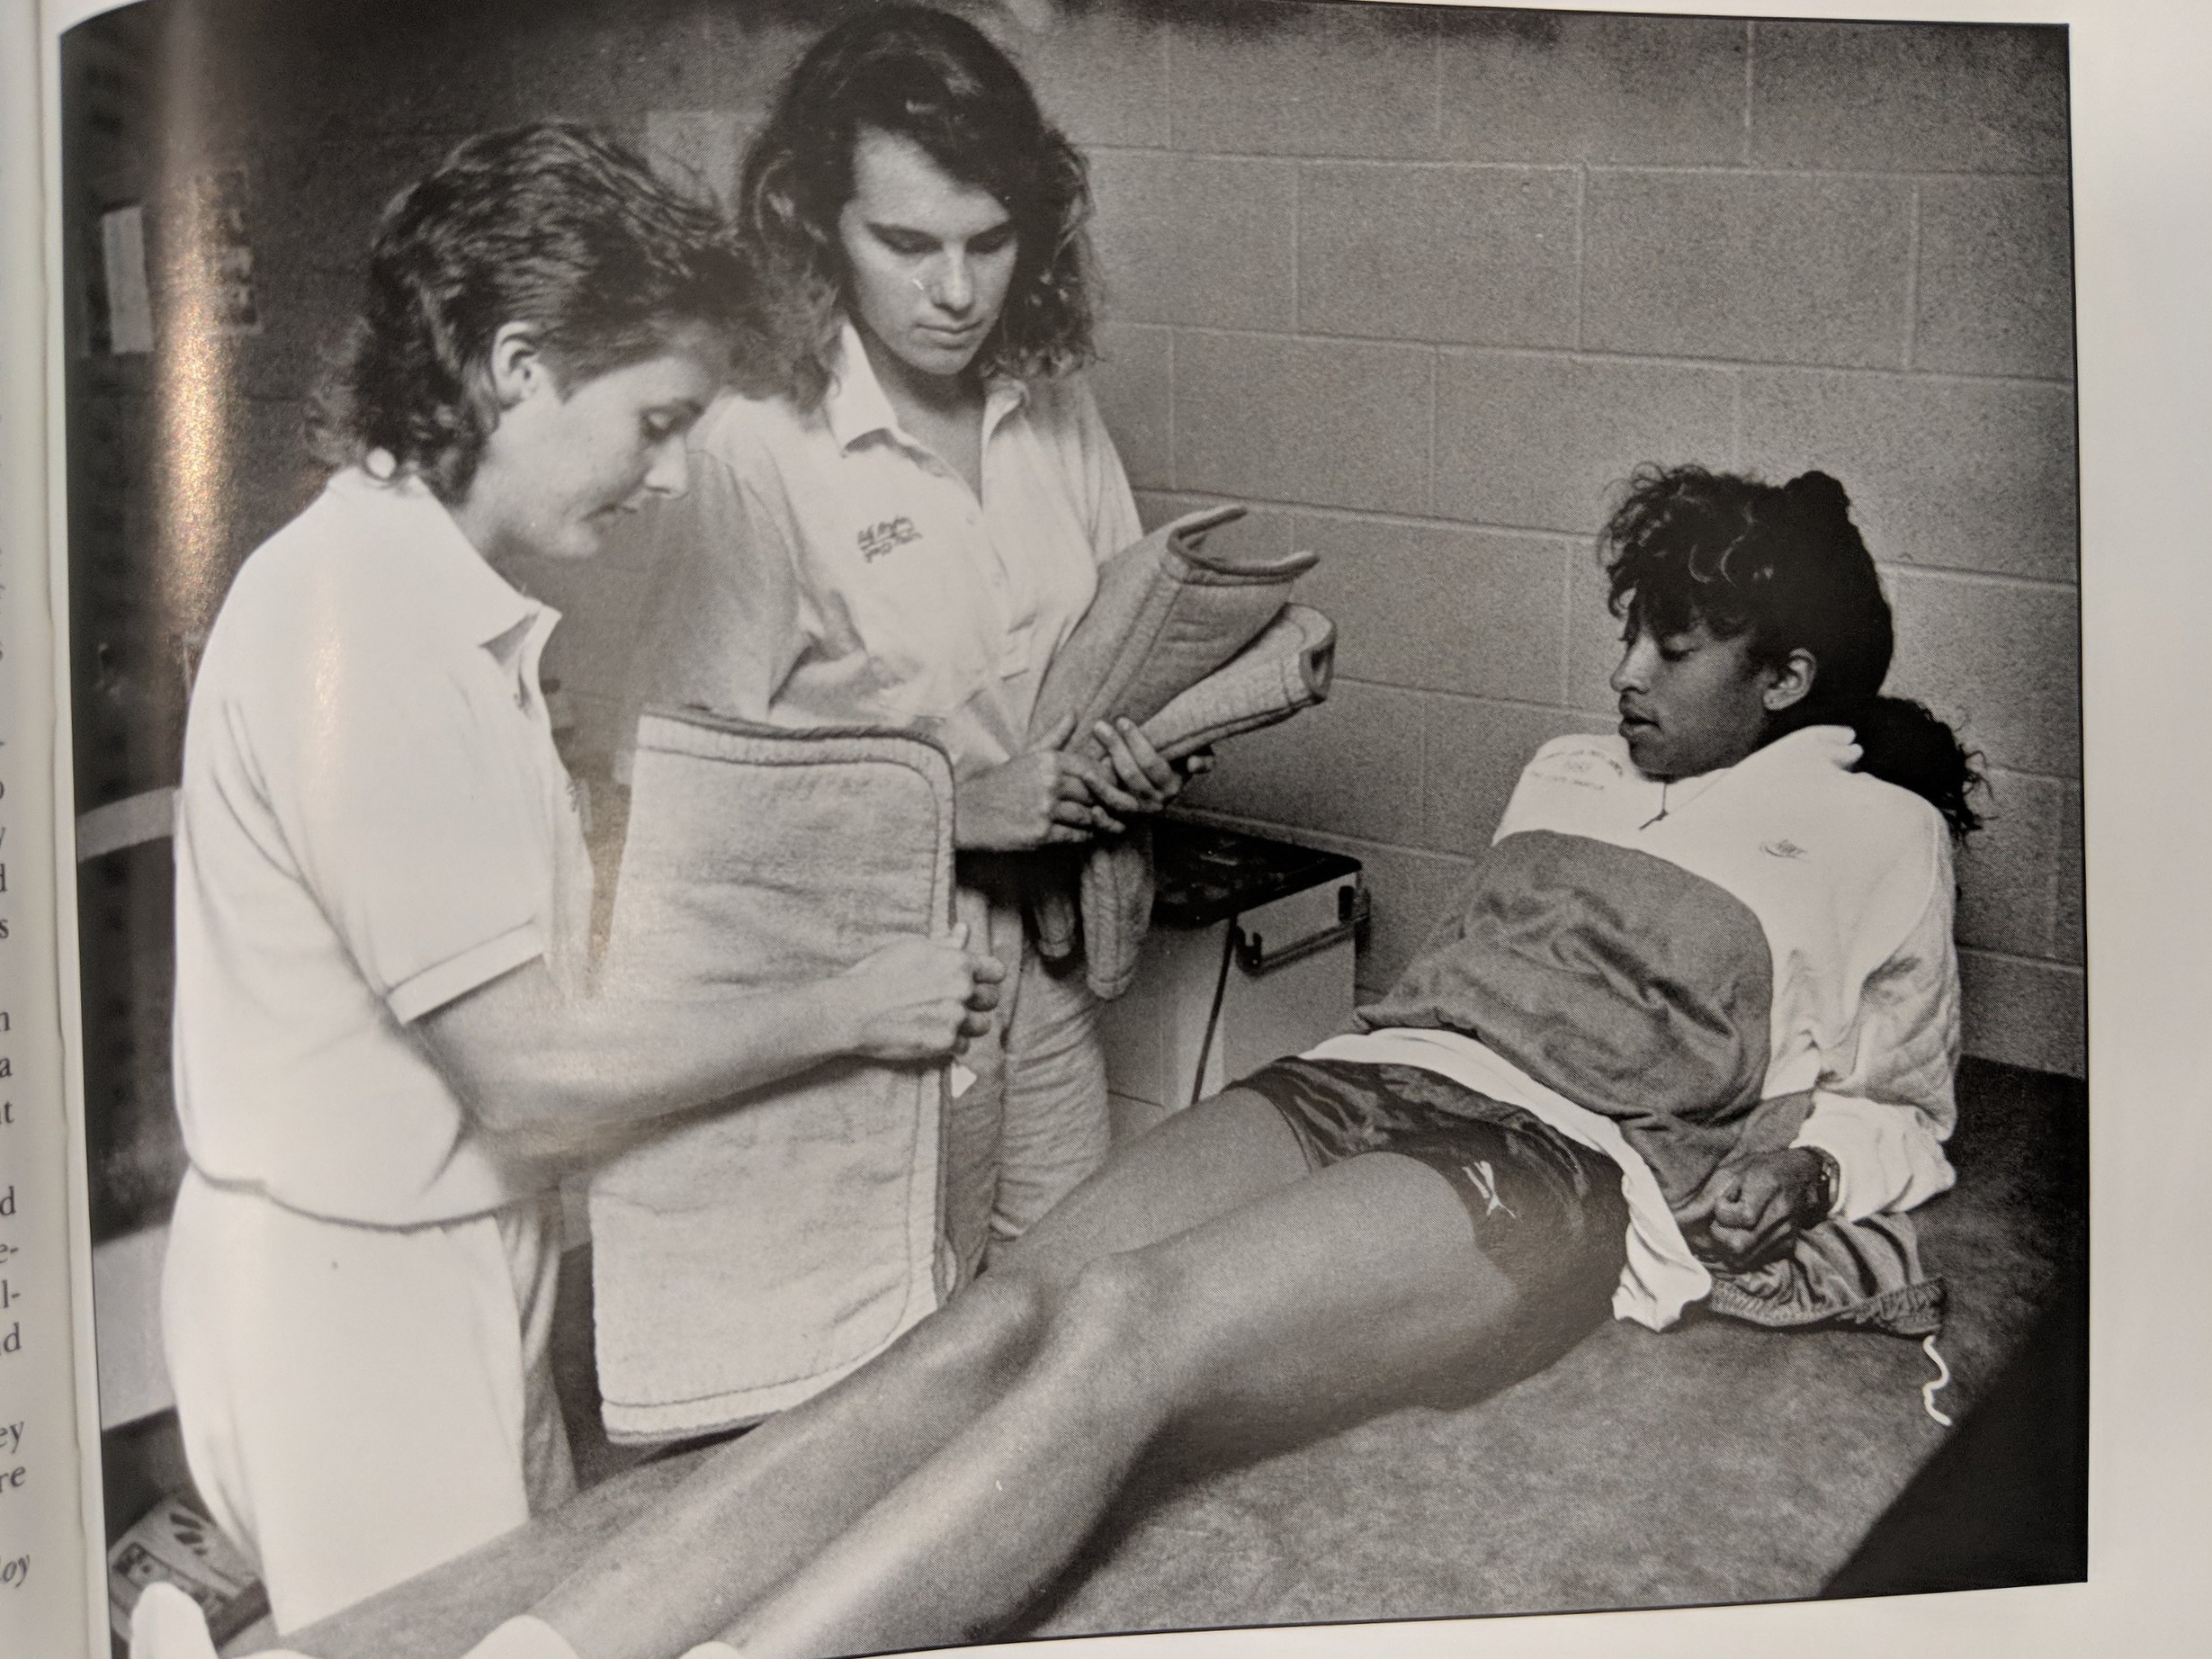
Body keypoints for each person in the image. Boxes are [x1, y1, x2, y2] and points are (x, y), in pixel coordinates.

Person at [448, 463, 1985, 1659]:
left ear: (1784, 677)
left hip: (1548, 1169)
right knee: (995, 1316)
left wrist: (1807, 1164)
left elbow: (1901, 1100)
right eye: (1626, 631)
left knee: (1126, 1326)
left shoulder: (1877, 832)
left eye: (1676, 645)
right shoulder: (1569, 769)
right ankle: (549, 1641)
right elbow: (1466, 990)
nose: (1626, 673)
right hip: (1372, 1071)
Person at [163, 123, 1000, 1634]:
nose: (674, 477)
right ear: (520, 367)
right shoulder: (370, 640)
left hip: (441, 1259)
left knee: (540, 1615)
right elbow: (535, 1079)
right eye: (657, 420)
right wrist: (856, 1003)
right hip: (356, 1309)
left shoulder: (431, 610)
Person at [624, 5, 1197, 1279]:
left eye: (990, 243)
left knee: (1055, 1318)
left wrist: (1140, 755)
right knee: (892, 1364)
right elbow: (669, 808)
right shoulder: (752, 450)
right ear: (814, 228)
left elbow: (1113, 642)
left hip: (1037, 965)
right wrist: (951, 809)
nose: (955, 292)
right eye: (906, 243)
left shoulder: (1048, 402)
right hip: (855, 990)